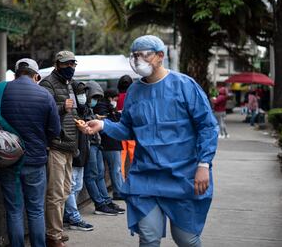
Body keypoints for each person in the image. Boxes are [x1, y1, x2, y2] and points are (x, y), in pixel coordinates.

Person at [83, 35, 218, 247]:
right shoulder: (134, 91)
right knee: (149, 237)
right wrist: (104, 126)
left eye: (143, 55)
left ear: (160, 56)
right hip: (145, 177)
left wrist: (203, 164)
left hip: (183, 175)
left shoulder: (185, 86)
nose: (138, 60)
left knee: (186, 239)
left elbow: (207, 127)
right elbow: (128, 129)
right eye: (134, 56)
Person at [0, 58, 61, 247]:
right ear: (36, 75)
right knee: (36, 210)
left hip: (8, 160)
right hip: (35, 160)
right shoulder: (44, 95)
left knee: (14, 210)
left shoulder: (0, 90)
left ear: (16, 72)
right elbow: (55, 130)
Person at [39, 51, 79, 247]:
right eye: (66, 64)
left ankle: (57, 230)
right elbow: (43, 109)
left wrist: (81, 121)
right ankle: (53, 236)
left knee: (64, 191)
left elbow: (73, 110)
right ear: (57, 65)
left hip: (70, 143)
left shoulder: (68, 84)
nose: (70, 67)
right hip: (56, 144)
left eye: (72, 64)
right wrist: (63, 107)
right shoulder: (47, 83)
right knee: (55, 193)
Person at [83, 81, 124, 216]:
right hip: (91, 143)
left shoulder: (89, 108)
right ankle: (100, 203)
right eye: (94, 97)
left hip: (97, 142)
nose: (96, 101)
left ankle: (105, 201)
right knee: (93, 174)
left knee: (100, 173)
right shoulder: (83, 108)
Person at [63, 81, 94, 232]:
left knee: (77, 186)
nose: (82, 96)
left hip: (82, 152)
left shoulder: (84, 108)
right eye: (80, 93)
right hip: (73, 151)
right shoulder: (71, 110)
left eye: (83, 93)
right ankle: (74, 217)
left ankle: (69, 215)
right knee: (71, 186)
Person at [94, 88, 124, 200]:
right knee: (115, 168)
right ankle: (118, 191)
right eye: (115, 99)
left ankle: (120, 190)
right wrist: (116, 114)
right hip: (110, 143)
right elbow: (112, 123)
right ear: (109, 98)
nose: (115, 101)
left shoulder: (109, 107)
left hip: (113, 142)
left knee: (117, 168)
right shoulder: (102, 108)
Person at [117, 75, 136, 179]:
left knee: (121, 158)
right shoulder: (133, 97)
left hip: (119, 131)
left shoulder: (117, 97)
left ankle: (122, 181)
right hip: (131, 131)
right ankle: (136, 179)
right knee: (134, 157)